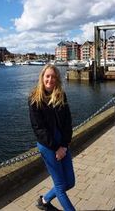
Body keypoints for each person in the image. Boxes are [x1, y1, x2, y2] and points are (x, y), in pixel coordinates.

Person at [29, 64, 76, 211]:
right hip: (48, 145)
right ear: (42, 78)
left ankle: (44, 200)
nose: (50, 79)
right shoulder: (34, 99)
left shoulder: (61, 95)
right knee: (61, 186)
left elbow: (68, 122)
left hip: (62, 143)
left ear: (57, 79)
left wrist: (64, 145)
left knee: (70, 182)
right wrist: (56, 148)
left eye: (53, 76)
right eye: (47, 76)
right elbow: (39, 129)